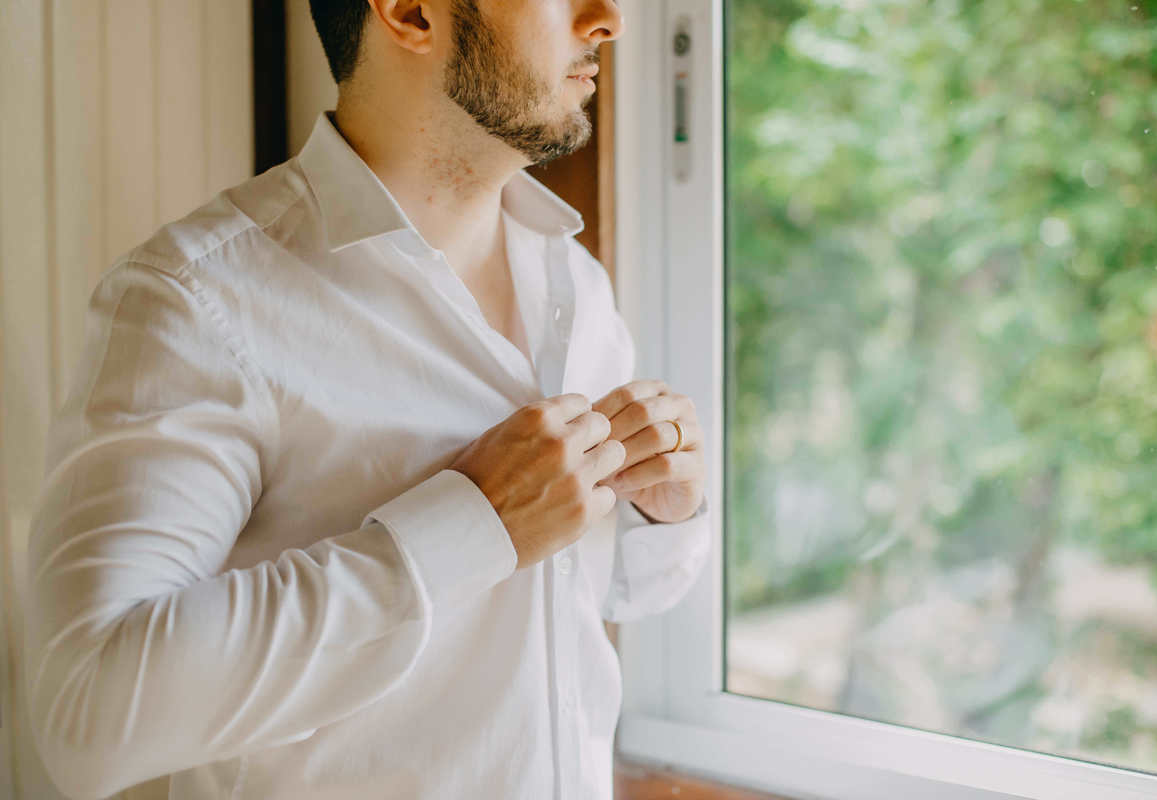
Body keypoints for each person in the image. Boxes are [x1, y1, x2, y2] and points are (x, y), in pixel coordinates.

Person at [23, 1, 711, 798]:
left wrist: (660, 515)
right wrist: (473, 525)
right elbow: (87, 715)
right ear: (412, 11)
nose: (608, 20)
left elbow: (579, 600)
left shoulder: (577, 285)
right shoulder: (199, 299)